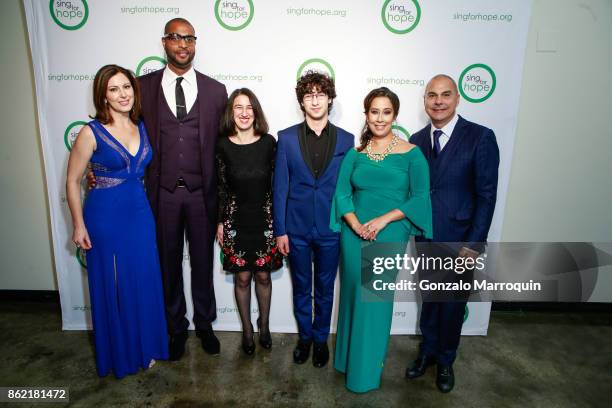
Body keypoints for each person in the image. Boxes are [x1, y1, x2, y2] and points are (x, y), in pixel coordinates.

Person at [66, 64, 168, 378]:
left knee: (142, 281)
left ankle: (144, 346)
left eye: (126, 87)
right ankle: (120, 355)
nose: (122, 94)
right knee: (113, 287)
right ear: (103, 96)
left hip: (140, 213)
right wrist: (79, 225)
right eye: (114, 89)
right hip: (105, 215)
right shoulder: (90, 131)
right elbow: (72, 181)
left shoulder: (142, 126)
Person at [330, 87, 432, 393]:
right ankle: (346, 361)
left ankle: (364, 374)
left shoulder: (412, 154)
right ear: (366, 115)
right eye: (374, 111)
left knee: (373, 301)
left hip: (389, 233)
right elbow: (342, 194)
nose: (380, 118)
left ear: (395, 115)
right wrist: (356, 223)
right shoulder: (355, 154)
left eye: (386, 112)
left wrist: (383, 220)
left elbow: (421, 197)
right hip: (353, 233)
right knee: (351, 296)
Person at [139, 18, 228, 360]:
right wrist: (97, 167)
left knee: (203, 264)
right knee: (168, 264)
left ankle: (204, 325)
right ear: (164, 42)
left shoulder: (215, 91)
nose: (183, 45)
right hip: (161, 193)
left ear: (195, 43)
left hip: (202, 194)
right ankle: (176, 328)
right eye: (176, 38)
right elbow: (122, 133)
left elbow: (225, 148)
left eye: (189, 38)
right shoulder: (142, 87)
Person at [405, 74, 499, 393]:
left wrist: (475, 243)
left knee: (453, 304)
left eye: (445, 95)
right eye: (432, 95)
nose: (438, 101)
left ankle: (446, 360)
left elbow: (487, 195)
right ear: (425, 101)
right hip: (426, 237)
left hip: (461, 241)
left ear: (458, 99)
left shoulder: (480, 137)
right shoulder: (416, 140)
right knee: (430, 300)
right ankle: (428, 352)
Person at [273, 71, 354, 367]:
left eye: (321, 94)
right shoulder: (286, 138)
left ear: (330, 98)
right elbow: (280, 188)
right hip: (295, 229)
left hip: (332, 228)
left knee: (325, 288)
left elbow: (347, 188)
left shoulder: (347, 140)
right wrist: (280, 230)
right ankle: (304, 338)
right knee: (301, 286)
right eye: (309, 95)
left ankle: (321, 340)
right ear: (301, 101)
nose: (315, 100)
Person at [215, 88, 283, 355]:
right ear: (231, 112)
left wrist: (280, 223)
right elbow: (220, 187)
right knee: (242, 278)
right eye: (238, 108)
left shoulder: (269, 143)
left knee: (263, 276)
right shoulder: (222, 144)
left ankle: (264, 326)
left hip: (265, 219)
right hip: (235, 220)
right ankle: (246, 330)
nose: (244, 113)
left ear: (256, 111)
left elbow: (278, 186)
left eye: (249, 107)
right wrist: (220, 222)